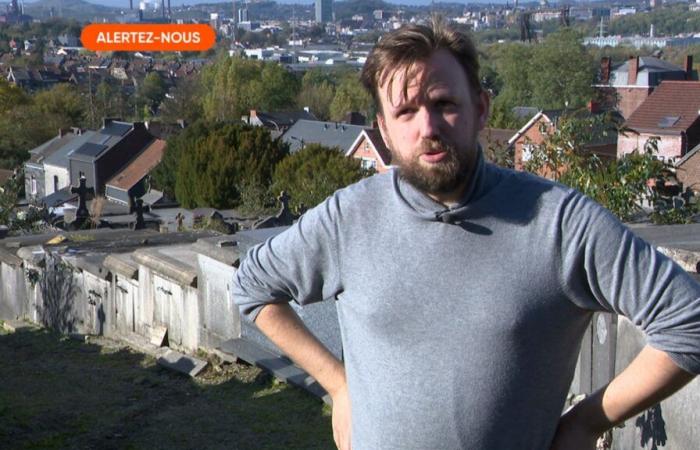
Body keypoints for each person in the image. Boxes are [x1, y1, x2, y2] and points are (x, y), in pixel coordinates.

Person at [233, 18, 700, 450]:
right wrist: (338, 384)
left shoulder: (560, 223)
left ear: (480, 108)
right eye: (406, 112)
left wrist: (588, 421)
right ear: (383, 131)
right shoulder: (349, 218)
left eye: (444, 105)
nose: (428, 127)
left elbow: (689, 323)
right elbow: (252, 287)